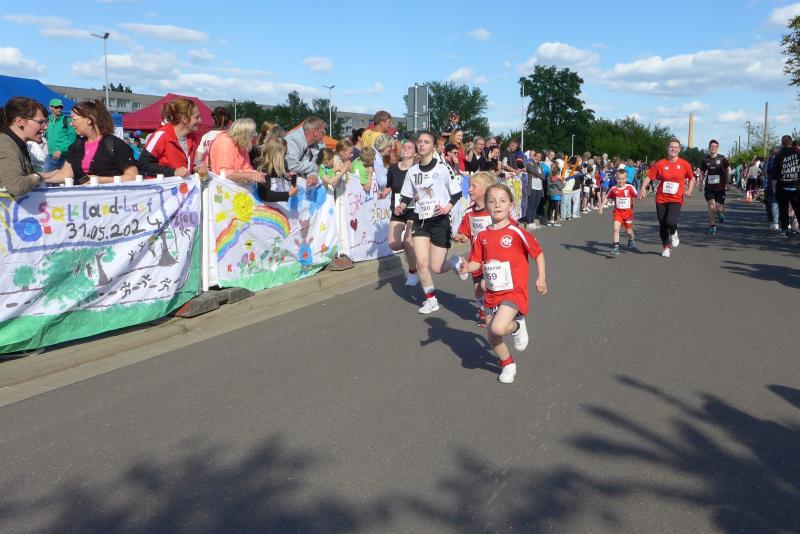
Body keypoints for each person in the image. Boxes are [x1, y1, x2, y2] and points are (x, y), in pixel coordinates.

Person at [459, 183, 547, 384]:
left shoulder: (516, 231)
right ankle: (507, 364)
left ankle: (516, 325)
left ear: (511, 206)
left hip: (513, 290)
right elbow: (476, 262)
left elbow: (538, 253)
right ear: (486, 206)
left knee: (497, 328)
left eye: (502, 201)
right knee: (492, 335)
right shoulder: (482, 236)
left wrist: (541, 277)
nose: (497, 205)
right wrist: (466, 267)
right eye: (492, 201)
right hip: (492, 292)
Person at [395, 131, 462, 314]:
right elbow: (406, 195)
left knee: (437, 267)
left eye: (426, 142)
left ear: (433, 146)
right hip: (420, 220)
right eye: (420, 142)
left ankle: (455, 262)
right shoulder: (412, 171)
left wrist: (446, 208)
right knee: (422, 263)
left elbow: (456, 193)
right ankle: (431, 300)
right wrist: (401, 206)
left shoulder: (443, 168)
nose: (422, 144)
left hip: (440, 220)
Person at [49, 99, 138, 184]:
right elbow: (65, 175)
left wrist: (99, 180)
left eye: (74, 119)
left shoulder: (116, 145)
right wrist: (42, 176)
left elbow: (133, 176)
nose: (71, 124)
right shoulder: (76, 145)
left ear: (89, 120)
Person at [452, 172, 497, 327]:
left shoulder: (494, 211)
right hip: (476, 259)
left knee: (487, 286)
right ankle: (483, 310)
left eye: (473, 186)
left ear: (485, 190)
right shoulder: (469, 212)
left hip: (494, 258)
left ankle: (495, 311)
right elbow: (466, 235)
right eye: (469, 186)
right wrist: (460, 237)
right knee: (478, 288)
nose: (469, 189)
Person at [640, 139, 695, 258]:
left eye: (676, 147)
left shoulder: (684, 164)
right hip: (661, 198)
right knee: (663, 224)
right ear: (667, 149)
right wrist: (643, 188)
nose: (673, 149)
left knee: (670, 221)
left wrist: (689, 190)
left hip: (676, 198)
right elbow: (649, 177)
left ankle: (674, 233)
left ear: (679, 150)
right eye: (671, 147)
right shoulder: (660, 164)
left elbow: (692, 178)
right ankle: (666, 247)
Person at [0, 97, 56, 197]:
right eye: (40, 122)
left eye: (46, 122)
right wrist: (40, 176)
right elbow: (16, 186)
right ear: (20, 122)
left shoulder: (16, 143)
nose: (46, 127)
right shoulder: (5, 144)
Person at [383, 140, 419, 286]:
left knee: (408, 242)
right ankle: (411, 252)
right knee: (394, 244)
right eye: (404, 147)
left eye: (409, 147)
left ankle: (412, 272)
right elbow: (390, 186)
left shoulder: (417, 170)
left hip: (413, 210)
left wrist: (419, 195)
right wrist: (384, 193)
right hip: (397, 210)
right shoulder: (392, 168)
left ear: (415, 153)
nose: (405, 149)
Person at [138, 97, 202, 178]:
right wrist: (173, 172)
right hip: (162, 185)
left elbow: (187, 166)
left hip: (184, 185)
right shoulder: (161, 135)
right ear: (184, 119)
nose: (200, 120)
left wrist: (196, 168)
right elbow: (143, 163)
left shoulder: (192, 138)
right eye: (197, 117)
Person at [208, 118, 265, 184]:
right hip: (222, 186)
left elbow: (246, 167)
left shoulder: (241, 144)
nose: (255, 136)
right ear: (245, 134)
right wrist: (251, 175)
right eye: (252, 133)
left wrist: (256, 173)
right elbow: (225, 173)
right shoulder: (225, 143)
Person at [600, 169, 637, 256]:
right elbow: (606, 197)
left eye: (623, 179)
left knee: (628, 232)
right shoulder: (613, 189)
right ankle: (616, 247)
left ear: (626, 179)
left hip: (628, 214)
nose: (621, 181)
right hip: (618, 213)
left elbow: (637, 195)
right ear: (616, 179)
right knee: (616, 229)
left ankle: (631, 238)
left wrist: (641, 194)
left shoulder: (630, 187)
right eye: (619, 179)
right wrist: (601, 207)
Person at [771, 134, 800, 237]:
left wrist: (774, 189)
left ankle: (784, 230)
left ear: (782, 143)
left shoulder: (778, 155)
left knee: (783, 209)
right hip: (796, 186)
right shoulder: (798, 153)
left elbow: (774, 175)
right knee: (798, 209)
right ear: (791, 142)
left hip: (782, 186)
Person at [699, 139, 730, 235]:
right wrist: (700, 184)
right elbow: (702, 172)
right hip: (709, 188)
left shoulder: (722, 159)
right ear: (709, 148)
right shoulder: (705, 160)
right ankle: (713, 226)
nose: (713, 148)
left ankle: (721, 214)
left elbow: (729, 169)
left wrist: (728, 182)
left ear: (717, 148)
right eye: (711, 146)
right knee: (711, 207)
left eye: (715, 146)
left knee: (718, 208)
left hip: (720, 188)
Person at [285, 116, 326, 187]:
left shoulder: (316, 146)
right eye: (323, 132)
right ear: (315, 132)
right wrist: (314, 167)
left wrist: (313, 176)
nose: (324, 135)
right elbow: (291, 165)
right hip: (283, 187)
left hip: (298, 187)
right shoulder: (293, 139)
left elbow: (310, 168)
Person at [255, 136, 298, 202]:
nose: (285, 157)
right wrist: (289, 194)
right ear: (276, 155)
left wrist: (287, 175)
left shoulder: (281, 164)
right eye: (284, 154)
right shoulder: (263, 168)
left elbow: (278, 175)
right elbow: (265, 195)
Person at [43, 98, 76, 172]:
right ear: (50, 108)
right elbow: (46, 135)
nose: (59, 109)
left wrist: (61, 150)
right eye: (57, 107)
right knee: (44, 178)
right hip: (51, 157)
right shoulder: (47, 121)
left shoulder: (67, 120)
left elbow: (73, 139)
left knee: (66, 178)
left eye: (61, 107)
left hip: (64, 157)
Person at [524, 151, 545, 228]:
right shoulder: (529, 164)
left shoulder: (540, 166)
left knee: (535, 205)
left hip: (539, 188)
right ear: (534, 156)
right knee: (531, 205)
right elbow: (535, 172)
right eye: (537, 156)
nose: (538, 158)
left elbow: (543, 177)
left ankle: (532, 222)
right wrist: (535, 164)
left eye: (540, 157)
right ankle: (529, 222)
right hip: (532, 187)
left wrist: (537, 175)